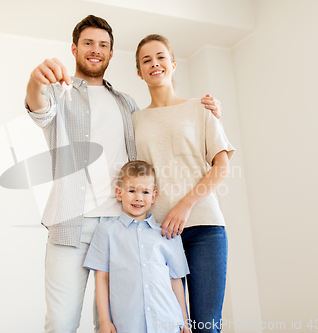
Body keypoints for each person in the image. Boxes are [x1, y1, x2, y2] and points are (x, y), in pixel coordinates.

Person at [25, 15, 222, 333]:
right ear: (74, 49)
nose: (95, 50)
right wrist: (35, 80)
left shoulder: (126, 104)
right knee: (61, 323)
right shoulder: (57, 93)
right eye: (88, 43)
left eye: (103, 45)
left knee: (113, 322)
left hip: (121, 227)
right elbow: (38, 107)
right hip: (71, 225)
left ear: (111, 54)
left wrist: (207, 110)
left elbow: (160, 129)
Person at [132, 34, 235, 333]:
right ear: (139, 72)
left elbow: (222, 167)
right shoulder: (135, 121)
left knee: (206, 327)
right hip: (158, 234)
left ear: (173, 64)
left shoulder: (201, 108)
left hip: (205, 229)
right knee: (171, 327)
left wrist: (185, 206)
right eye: (146, 60)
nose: (155, 64)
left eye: (161, 57)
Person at [84, 160, 191, 333]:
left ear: (154, 196)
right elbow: (102, 278)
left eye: (145, 192)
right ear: (119, 193)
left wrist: (185, 322)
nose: (138, 197)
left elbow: (176, 281)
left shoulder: (167, 234)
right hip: (127, 325)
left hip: (167, 323)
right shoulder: (107, 231)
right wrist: (104, 321)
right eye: (132, 190)